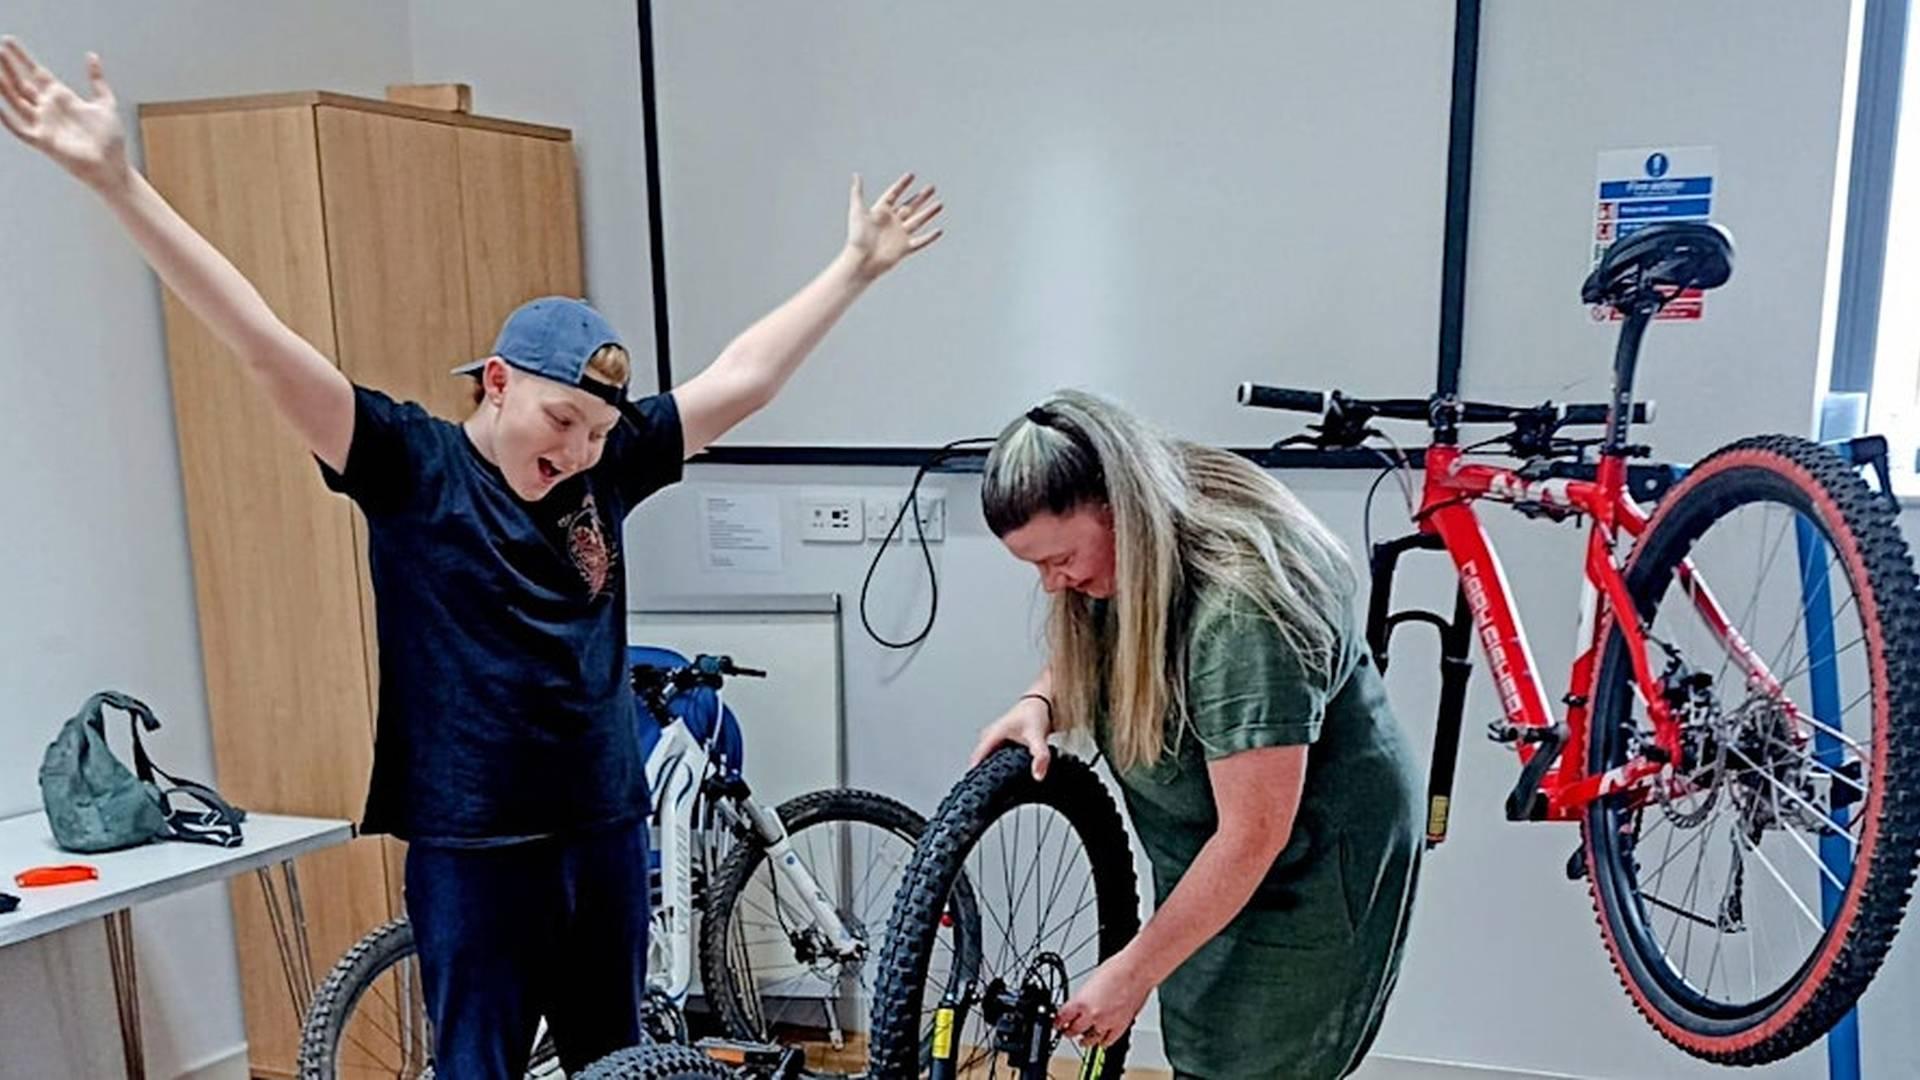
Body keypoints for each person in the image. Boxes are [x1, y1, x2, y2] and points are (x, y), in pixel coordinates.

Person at [0, 37, 942, 1076]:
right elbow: (264, 341)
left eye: (596, 429)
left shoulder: (604, 471)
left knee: (613, 1058)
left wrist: (853, 268)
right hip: (475, 843)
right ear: (496, 381)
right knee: (479, 1064)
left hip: (602, 821)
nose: (578, 448)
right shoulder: (411, 465)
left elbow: (744, 378)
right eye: (561, 419)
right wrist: (118, 181)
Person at [969, 391, 1420, 1079]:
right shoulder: (1127, 565)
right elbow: (1104, 639)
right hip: (1218, 839)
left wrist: (1129, 975)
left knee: (1262, 1059)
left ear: (1120, 512)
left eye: (1058, 559)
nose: (1053, 584)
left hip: (1312, 862)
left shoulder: (1244, 613)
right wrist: (1040, 700)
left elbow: (1254, 834)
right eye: (1035, 567)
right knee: (1205, 1040)